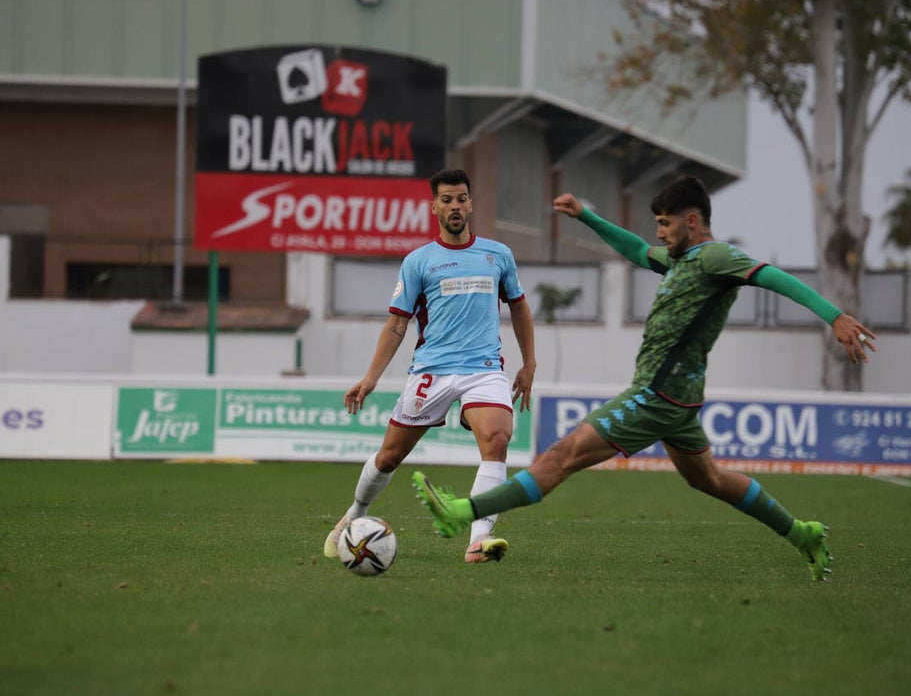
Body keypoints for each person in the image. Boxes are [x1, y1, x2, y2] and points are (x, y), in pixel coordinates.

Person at [413, 175, 878, 581]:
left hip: (656, 396)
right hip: (678, 401)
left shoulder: (716, 258)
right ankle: (803, 534)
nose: (658, 232)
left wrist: (834, 316)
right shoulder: (681, 259)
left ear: (692, 221)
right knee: (710, 480)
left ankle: (464, 513)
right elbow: (636, 250)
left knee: (562, 455)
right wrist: (587, 218)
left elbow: (774, 277)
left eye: (665, 223)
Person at [324, 167, 537, 564]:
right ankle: (354, 514)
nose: (454, 206)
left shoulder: (498, 254)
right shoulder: (418, 261)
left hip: (484, 368)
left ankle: (478, 540)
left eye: (461, 198)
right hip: (431, 371)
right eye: (446, 199)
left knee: (497, 440)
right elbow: (397, 323)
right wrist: (371, 377)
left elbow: (520, 307)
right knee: (389, 456)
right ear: (434, 207)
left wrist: (529, 363)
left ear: (471, 204)